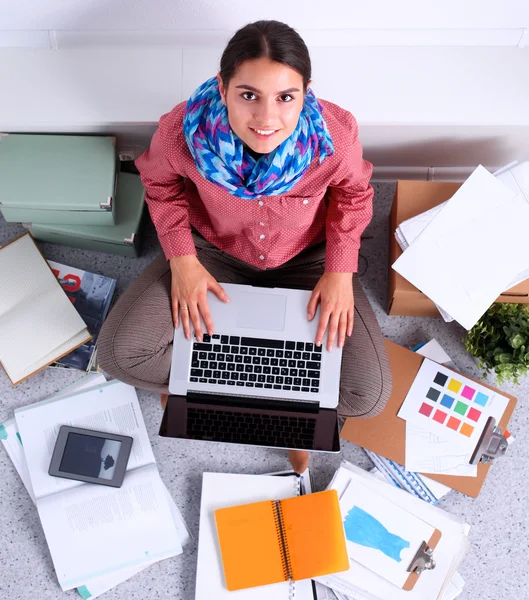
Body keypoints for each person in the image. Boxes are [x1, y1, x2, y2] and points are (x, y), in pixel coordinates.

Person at [98, 19, 392, 474]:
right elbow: (159, 185)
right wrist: (182, 260)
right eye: (249, 95)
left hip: (308, 260)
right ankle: (270, 404)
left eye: (285, 98)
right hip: (215, 254)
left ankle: (206, 391)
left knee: (367, 395)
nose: (267, 118)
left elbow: (354, 196)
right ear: (223, 87)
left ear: (306, 93)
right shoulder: (180, 132)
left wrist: (339, 271)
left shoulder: (337, 134)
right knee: (120, 354)